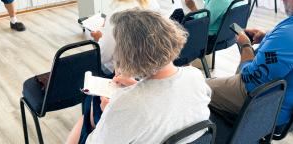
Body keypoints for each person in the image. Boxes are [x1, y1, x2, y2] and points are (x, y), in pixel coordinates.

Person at [66, 9, 211, 144]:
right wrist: (135, 87)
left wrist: (108, 114)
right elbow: (165, 99)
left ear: (127, 54)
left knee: (88, 114)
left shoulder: (124, 104)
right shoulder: (195, 76)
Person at [89, 0, 159, 74]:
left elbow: (103, 57)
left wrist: (97, 39)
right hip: (153, 64)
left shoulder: (116, 15)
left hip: (128, 72)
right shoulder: (152, 2)